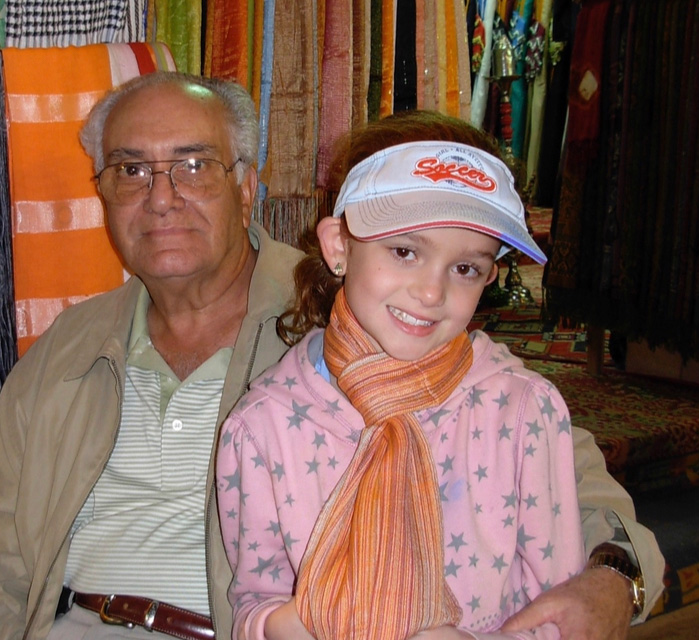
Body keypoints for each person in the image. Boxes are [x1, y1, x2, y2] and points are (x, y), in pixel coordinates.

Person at [0, 73, 662, 640]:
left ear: (248, 185)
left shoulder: (364, 316)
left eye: (193, 165)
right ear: (100, 196)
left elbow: (572, 488)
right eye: (129, 169)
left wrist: (612, 580)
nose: (160, 197)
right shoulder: (67, 348)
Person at [216, 110, 600, 640]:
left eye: (465, 268)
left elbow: (559, 608)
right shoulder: (264, 424)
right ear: (338, 247)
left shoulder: (522, 411)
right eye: (404, 252)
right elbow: (254, 600)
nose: (431, 293)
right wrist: (293, 622)